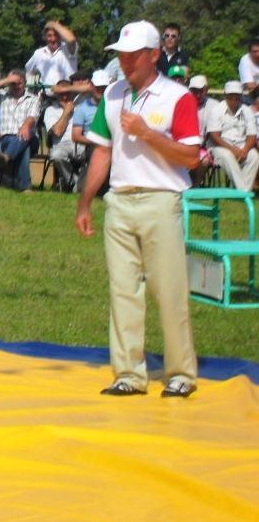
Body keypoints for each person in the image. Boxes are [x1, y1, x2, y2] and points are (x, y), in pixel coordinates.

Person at [75, 20, 199, 399]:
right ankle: (128, 373)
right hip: (120, 201)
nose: (125, 63)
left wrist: (147, 134)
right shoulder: (112, 95)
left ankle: (181, 373)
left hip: (162, 200)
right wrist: (85, 203)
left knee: (168, 289)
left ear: (154, 55)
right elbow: (102, 151)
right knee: (123, 291)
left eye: (133, 56)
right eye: (121, 56)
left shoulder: (178, 97)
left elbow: (192, 156)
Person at [0, 69, 40, 191]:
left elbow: (32, 117)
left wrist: (25, 126)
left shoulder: (33, 99)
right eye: (13, 83)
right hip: (7, 139)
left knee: (25, 137)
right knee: (24, 148)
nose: (17, 86)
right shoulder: (2, 96)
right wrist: (8, 80)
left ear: (24, 82)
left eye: (19, 83)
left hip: (30, 136)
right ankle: (26, 187)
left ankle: (6, 157)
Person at [209, 80, 258, 192]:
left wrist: (244, 150)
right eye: (232, 95)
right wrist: (233, 150)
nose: (235, 98)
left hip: (241, 145)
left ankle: (241, 191)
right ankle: (243, 191)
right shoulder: (216, 110)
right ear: (225, 95)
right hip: (220, 146)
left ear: (241, 95)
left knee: (254, 156)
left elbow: (252, 135)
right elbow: (215, 136)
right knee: (227, 155)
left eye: (237, 95)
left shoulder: (246, 110)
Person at [25, 20, 78, 91]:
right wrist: (32, 88)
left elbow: (71, 39)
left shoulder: (68, 49)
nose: (53, 39)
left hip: (67, 95)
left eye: (56, 35)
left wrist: (53, 25)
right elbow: (29, 71)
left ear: (61, 36)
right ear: (44, 37)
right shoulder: (38, 53)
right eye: (49, 36)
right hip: (46, 99)